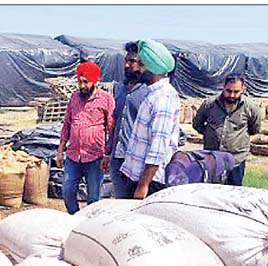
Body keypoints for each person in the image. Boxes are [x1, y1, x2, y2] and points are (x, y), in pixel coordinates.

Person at [120, 40, 181, 199]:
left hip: (149, 182)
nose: (138, 69)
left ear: (153, 68)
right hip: (137, 176)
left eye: (141, 64)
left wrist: (143, 186)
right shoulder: (152, 94)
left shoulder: (163, 98)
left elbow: (158, 147)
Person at [56, 61, 115, 214]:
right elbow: (67, 124)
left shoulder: (106, 99)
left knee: (93, 198)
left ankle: (88, 224)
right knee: (67, 191)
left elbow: (111, 128)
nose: (82, 86)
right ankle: (75, 218)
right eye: (79, 82)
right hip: (73, 156)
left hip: (95, 157)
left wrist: (108, 154)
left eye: (86, 82)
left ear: (95, 81)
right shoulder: (74, 97)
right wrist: (60, 151)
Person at [192, 74, 261, 186]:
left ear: (243, 89)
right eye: (228, 91)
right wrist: (210, 134)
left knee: (234, 191)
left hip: (236, 159)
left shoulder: (251, 107)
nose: (232, 95)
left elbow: (254, 129)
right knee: (211, 190)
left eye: (236, 92)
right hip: (213, 158)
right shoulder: (209, 104)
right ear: (223, 87)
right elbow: (197, 124)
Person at [102, 41, 151, 199]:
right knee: (121, 202)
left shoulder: (148, 93)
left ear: (143, 64)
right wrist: (108, 152)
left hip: (137, 159)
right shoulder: (121, 90)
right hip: (117, 158)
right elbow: (116, 124)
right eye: (126, 61)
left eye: (132, 61)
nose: (127, 65)